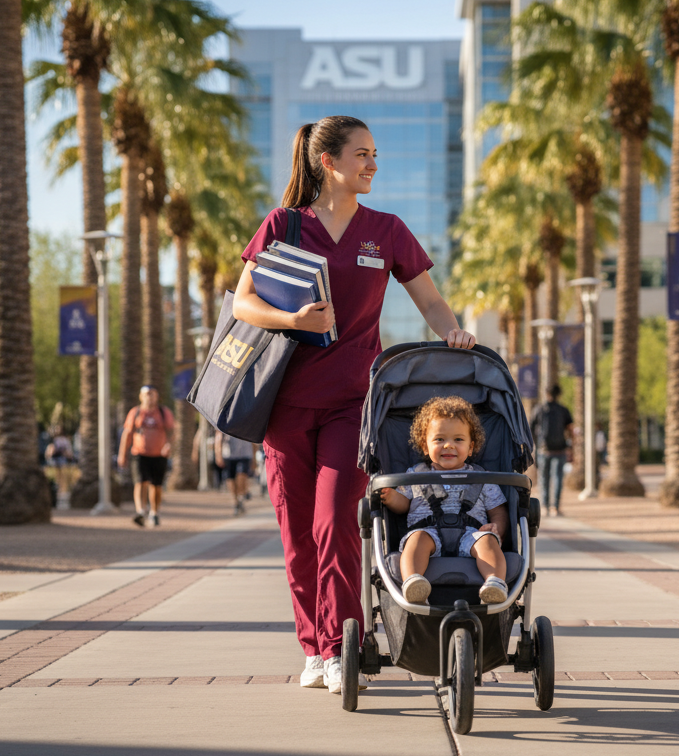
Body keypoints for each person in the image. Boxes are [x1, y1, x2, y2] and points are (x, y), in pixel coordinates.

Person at [233, 115, 474, 695]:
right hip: (284, 404)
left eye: (374, 154)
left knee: (336, 519)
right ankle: (312, 647)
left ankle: (343, 645)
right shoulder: (284, 225)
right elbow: (242, 303)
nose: (371, 164)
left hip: (354, 402)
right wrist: (290, 319)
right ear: (328, 162)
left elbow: (429, 299)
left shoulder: (385, 230)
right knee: (297, 535)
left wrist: (455, 334)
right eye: (361, 154)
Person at [380, 397, 508, 605]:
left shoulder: (483, 478)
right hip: (427, 532)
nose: (449, 445)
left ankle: (494, 582)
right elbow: (403, 504)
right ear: (425, 445)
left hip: (471, 533)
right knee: (416, 540)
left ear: (471, 446)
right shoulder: (414, 475)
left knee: (488, 541)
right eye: (439, 439)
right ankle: (414, 581)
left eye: (458, 440)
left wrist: (497, 529)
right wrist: (392, 497)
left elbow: (498, 511)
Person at [118, 386, 175, 528]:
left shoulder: (163, 412)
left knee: (156, 485)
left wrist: (169, 445)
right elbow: (127, 434)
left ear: (157, 397)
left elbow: (172, 431)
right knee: (140, 481)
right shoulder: (135, 412)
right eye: (147, 394)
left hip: (159, 454)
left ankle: (154, 512)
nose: (150, 397)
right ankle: (141, 511)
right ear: (141, 396)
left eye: (153, 394)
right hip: (139, 453)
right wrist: (122, 454)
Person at [530, 384, 574, 517]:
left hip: (544, 450)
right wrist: (570, 446)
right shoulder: (563, 410)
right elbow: (570, 429)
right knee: (558, 478)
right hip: (560, 449)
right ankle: (555, 507)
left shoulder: (539, 409)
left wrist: (533, 445)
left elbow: (531, 429)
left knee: (544, 478)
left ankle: (544, 506)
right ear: (558, 394)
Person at [215, 432, 255, 515]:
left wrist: (254, 458)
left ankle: (242, 495)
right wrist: (218, 454)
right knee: (230, 479)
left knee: (242, 476)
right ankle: (236, 502)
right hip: (228, 455)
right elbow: (219, 436)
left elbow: (254, 438)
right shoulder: (224, 419)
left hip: (245, 454)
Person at [46, 426, 75, 495]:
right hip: (55, 461)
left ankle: (63, 491)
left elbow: (68, 451)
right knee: (57, 477)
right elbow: (50, 451)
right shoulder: (54, 440)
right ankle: (59, 490)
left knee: (63, 477)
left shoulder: (65, 440)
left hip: (63, 461)